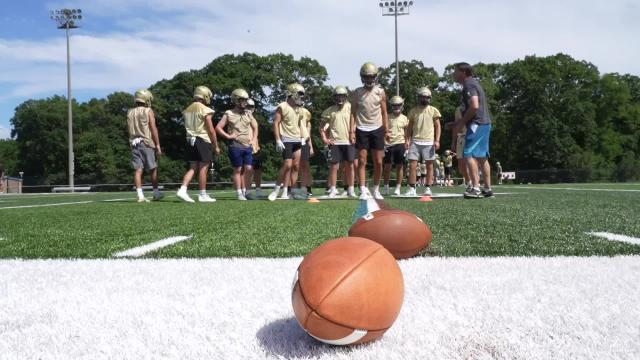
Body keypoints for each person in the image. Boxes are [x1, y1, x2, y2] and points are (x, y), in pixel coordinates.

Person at [452, 62, 493, 198]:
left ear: (463, 73)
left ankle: (475, 188)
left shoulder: (469, 84)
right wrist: (456, 123)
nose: (453, 74)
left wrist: (462, 123)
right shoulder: (473, 83)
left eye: (455, 71)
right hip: (484, 123)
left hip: (477, 124)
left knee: (468, 154)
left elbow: (474, 105)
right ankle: (487, 189)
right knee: (482, 157)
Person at [176, 86, 221, 203]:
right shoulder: (205, 109)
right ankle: (202, 194)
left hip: (190, 140)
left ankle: (183, 189)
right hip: (202, 140)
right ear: (205, 96)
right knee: (203, 168)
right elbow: (211, 130)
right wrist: (216, 145)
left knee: (193, 168)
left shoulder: (187, 109)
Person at [352, 62, 389, 200]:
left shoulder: (381, 92)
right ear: (362, 77)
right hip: (361, 128)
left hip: (377, 128)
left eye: (372, 76)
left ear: (376, 77)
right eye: (367, 77)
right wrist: (352, 131)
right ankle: (362, 189)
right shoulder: (357, 92)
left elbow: (385, 112)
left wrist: (387, 130)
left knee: (379, 161)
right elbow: (353, 113)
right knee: (362, 160)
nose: (369, 79)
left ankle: (376, 189)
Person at [216, 88, 258, 201]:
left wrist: (254, 139)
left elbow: (255, 126)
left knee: (249, 168)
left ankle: (248, 191)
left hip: (247, 146)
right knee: (238, 169)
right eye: (242, 100)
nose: (245, 102)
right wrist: (228, 136)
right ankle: (239, 193)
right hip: (235, 145)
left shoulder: (248, 113)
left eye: (246, 100)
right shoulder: (228, 113)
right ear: (235, 100)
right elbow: (218, 128)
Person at [268, 83, 308, 201]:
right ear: (293, 93)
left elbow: (300, 124)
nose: (301, 97)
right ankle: (276, 190)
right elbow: (276, 123)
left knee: (295, 166)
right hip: (286, 139)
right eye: (300, 94)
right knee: (287, 165)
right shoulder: (282, 106)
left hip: (297, 139)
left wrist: (303, 137)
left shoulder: (300, 109)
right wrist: (277, 140)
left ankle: (289, 191)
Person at [127, 89, 163, 202]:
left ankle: (140, 195)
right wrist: (157, 145)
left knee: (138, 169)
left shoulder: (130, 112)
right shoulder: (148, 111)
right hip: (146, 142)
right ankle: (156, 193)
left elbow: (128, 129)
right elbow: (153, 128)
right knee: (153, 168)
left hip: (134, 142)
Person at [320, 86, 356, 198]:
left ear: (346, 97)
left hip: (349, 142)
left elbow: (357, 121)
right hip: (335, 142)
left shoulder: (352, 107)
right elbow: (321, 127)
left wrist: (354, 133)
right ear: (334, 97)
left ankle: (351, 189)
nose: (339, 98)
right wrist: (325, 139)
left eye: (342, 96)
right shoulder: (329, 110)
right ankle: (333, 189)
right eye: (337, 96)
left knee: (350, 166)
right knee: (334, 166)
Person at [405, 87, 442, 196]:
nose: (424, 99)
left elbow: (438, 126)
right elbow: (409, 128)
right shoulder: (413, 111)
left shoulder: (433, 110)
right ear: (418, 97)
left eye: (426, 97)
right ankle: (412, 188)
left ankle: (428, 188)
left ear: (429, 98)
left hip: (429, 141)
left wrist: (437, 140)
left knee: (430, 165)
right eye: (422, 97)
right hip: (415, 141)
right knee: (412, 164)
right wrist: (407, 139)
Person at [382, 96, 409, 196]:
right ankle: (385, 187)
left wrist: (407, 142)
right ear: (391, 106)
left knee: (400, 166)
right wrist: (383, 142)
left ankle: (398, 187)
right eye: (394, 105)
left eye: (398, 105)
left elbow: (407, 132)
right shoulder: (386, 117)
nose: (396, 107)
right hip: (388, 145)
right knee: (387, 167)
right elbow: (382, 131)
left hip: (400, 144)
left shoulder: (405, 118)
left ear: (402, 105)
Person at [243, 99, 265, 198]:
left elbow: (256, 129)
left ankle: (258, 189)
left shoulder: (253, 118)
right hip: (246, 147)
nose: (249, 109)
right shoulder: (241, 117)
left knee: (258, 170)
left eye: (251, 107)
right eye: (248, 106)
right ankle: (244, 190)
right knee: (247, 170)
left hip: (256, 148)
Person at [452, 106, 471, 188]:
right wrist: (453, 141)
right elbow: (456, 126)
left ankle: (474, 182)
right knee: (461, 163)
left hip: (471, 135)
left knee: (471, 160)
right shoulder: (458, 109)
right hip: (461, 136)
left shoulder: (473, 106)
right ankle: (468, 181)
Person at [297, 106, 314, 196]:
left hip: (304, 142)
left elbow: (308, 134)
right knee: (293, 166)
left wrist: (311, 147)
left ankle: (307, 188)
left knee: (306, 166)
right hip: (293, 140)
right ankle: (290, 188)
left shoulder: (308, 121)